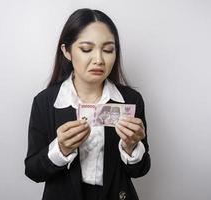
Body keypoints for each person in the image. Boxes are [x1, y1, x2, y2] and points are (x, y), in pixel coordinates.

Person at [24, 8, 151, 200]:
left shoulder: (131, 100)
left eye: (108, 50)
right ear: (67, 51)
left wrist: (131, 146)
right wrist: (61, 149)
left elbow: (140, 170)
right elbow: (33, 171)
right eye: (86, 49)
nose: (99, 60)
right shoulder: (45, 102)